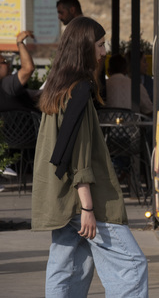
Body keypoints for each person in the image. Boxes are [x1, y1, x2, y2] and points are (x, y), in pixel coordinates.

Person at [31, 17, 148, 298]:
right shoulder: (80, 90)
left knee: (69, 269)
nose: (104, 51)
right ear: (85, 48)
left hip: (60, 197)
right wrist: (87, 209)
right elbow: (78, 155)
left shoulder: (56, 87)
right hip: (85, 200)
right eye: (100, 44)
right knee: (131, 267)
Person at [0, 30, 38, 112]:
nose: (9, 64)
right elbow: (28, 68)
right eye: (5, 62)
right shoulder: (6, 84)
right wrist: (20, 42)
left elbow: (30, 93)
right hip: (33, 124)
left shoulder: (7, 87)